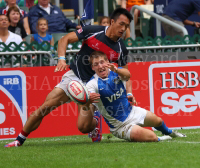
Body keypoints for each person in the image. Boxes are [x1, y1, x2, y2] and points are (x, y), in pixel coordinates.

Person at [4, 8, 134, 147]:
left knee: (84, 127)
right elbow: (64, 40)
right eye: (121, 24)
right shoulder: (93, 30)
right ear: (112, 21)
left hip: (94, 86)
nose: (123, 29)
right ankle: (19, 139)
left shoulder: (121, 49)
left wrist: (129, 93)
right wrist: (61, 59)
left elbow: (125, 74)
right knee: (45, 108)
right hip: (74, 77)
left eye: (126, 26)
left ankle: (95, 122)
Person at [79, 51, 186, 142]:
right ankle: (163, 138)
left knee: (158, 121)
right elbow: (86, 105)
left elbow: (127, 75)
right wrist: (88, 101)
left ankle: (170, 133)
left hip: (132, 111)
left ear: (107, 62)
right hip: (120, 126)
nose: (100, 66)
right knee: (151, 137)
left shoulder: (115, 72)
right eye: (96, 64)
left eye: (102, 62)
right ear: (93, 67)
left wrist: (117, 71)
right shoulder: (92, 84)